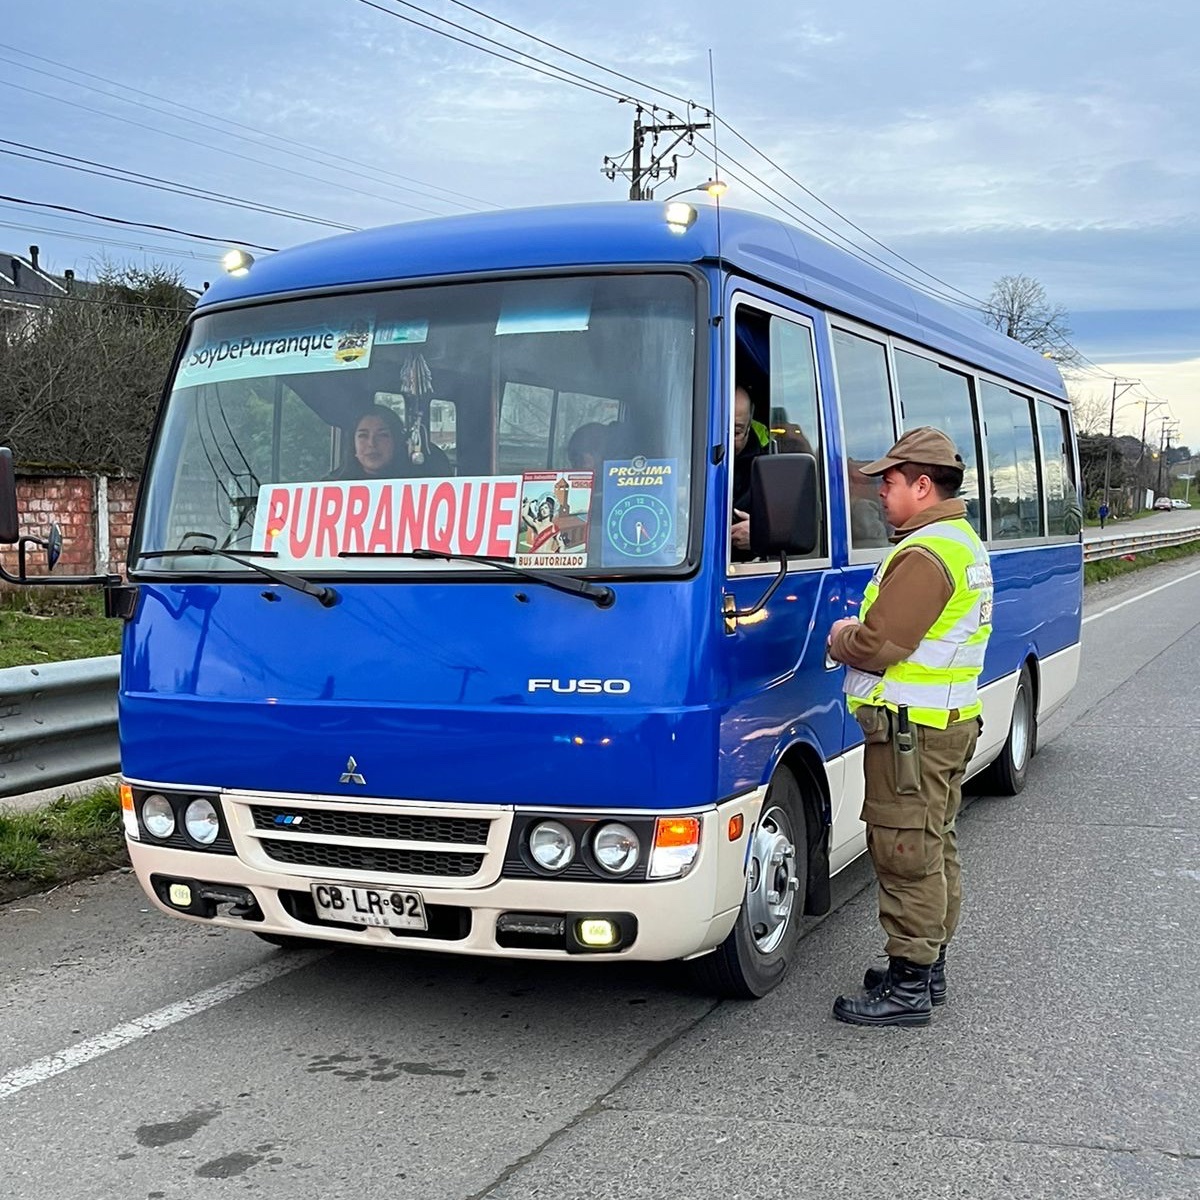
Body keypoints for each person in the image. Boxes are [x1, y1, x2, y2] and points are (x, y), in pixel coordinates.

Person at [825, 426, 993, 1027]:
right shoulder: (957, 542)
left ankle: (908, 986)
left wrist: (840, 636)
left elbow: (880, 644)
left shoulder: (925, 554)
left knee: (905, 852)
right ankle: (928, 965)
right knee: (934, 845)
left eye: (889, 482)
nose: (880, 493)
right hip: (940, 725)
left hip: (910, 735)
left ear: (923, 485)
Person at [333, 404, 449, 479]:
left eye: (382, 435)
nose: (371, 443)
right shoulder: (330, 487)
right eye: (363, 436)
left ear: (397, 441)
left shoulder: (418, 483)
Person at [730, 385, 771, 559]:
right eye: (715, 427)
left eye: (736, 431)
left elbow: (798, 529)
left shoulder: (768, 468)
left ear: (749, 428)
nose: (723, 440)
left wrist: (760, 534)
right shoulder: (673, 457)